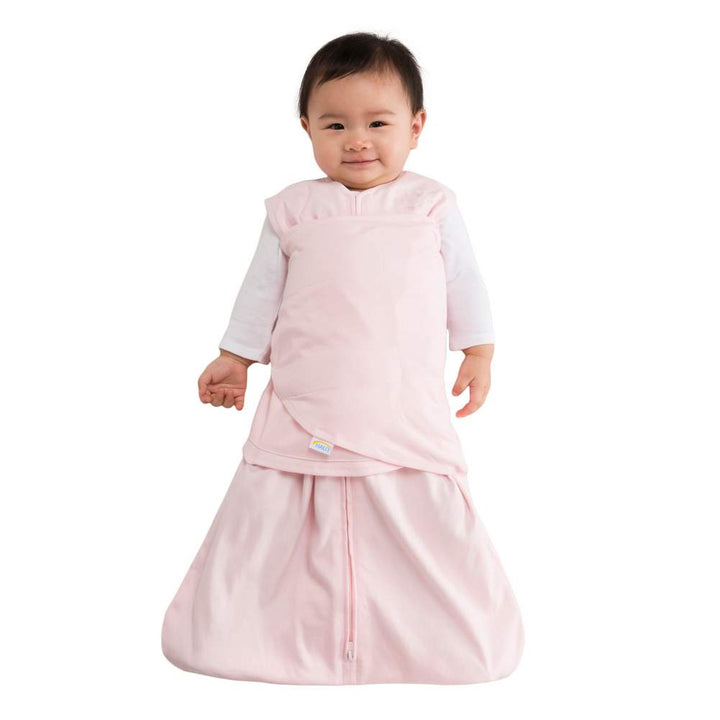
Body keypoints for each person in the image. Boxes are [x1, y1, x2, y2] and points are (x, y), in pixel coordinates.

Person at [161, 31, 525, 686]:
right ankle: (264, 634)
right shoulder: (294, 210)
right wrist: (235, 358)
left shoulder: (430, 205)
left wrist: (479, 350)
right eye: (335, 125)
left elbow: (465, 283)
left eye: (377, 123)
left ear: (416, 127)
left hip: (400, 408)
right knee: (278, 507)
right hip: (306, 405)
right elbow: (260, 293)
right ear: (306, 127)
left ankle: (425, 640)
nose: (357, 140)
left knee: (420, 515)